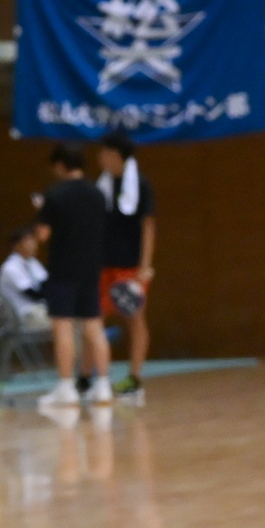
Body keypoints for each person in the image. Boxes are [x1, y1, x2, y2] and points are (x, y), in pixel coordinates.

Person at [34, 143, 112, 408]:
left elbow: (42, 234)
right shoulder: (98, 194)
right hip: (91, 267)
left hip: (63, 267)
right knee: (94, 326)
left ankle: (66, 387)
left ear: (59, 165)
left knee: (63, 326)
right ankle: (103, 386)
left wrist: (40, 212)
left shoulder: (54, 194)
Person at [96, 130, 155, 401]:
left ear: (116, 155)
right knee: (94, 320)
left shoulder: (140, 184)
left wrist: (145, 265)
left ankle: (134, 378)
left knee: (135, 320)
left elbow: (148, 225)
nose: (100, 157)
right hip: (103, 263)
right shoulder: (102, 185)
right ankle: (93, 378)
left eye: (104, 152)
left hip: (130, 266)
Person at [0, 225, 49, 330]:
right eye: (28, 241)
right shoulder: (10, 267)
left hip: (40, 309)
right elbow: (32, 294)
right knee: (63, 322)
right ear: (16, 246)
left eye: (34, 241)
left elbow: (47, 285)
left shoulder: (33, 262)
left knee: (69, 317)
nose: (33, 245)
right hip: (24, 315)